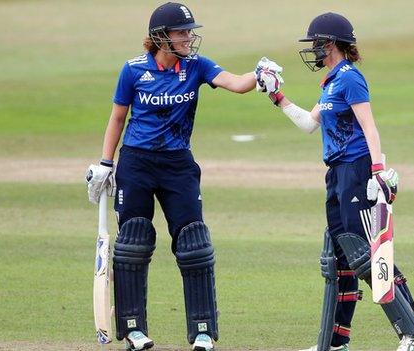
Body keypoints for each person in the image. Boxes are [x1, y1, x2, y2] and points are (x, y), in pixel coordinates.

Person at [85, 3, 281, 350]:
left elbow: (236, 84)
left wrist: (260, 74)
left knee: (194, 245)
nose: (189, 37)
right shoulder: (132, 71)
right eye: (182, 32)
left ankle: (203, 331)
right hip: (136, 163)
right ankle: (133, 330)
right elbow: (117, 118)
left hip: (178, 165)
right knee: (133, 243)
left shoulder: (197, 67)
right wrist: (105, 162)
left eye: (189, 31)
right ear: (162, 37)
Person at [256, 12, 414, 351]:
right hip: (336, 173)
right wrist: (276, 97)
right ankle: (337, 342)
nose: (312, 49)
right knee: (340, 258)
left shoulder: (351, 78)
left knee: (367, 253)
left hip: (357, 170)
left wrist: (378, 171)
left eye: (316, 43)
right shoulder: (330, 82)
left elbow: (369, 126)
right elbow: (310, 124)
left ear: (332, 44)